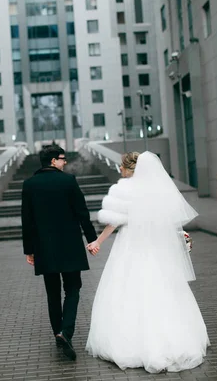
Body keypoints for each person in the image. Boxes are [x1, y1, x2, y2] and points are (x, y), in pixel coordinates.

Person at [85, 151, 209, 373]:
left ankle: (132, 344)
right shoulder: (157, 190)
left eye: (121, 167)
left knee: (129, 289)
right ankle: (175, 340)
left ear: (127, 168)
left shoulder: (125, 190)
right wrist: (180, 237)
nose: (119, 171)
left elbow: (113, 222)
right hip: (157, 248)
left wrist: (98, 242)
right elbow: (169, 220)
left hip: (131, 245)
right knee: (163, 289)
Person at [21, 145, 99, 361]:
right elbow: (82, 212)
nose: (65, 162)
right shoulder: (68, 181)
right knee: (73, 289)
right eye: (63, 159)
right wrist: (92, 238)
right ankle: (66, 332)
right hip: (70, 245)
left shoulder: (29, 185)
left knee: (53, 292)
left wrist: (29, 249)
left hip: (44, 248)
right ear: (54, 161)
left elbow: (27, 221)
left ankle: (58, 332)